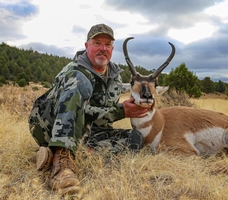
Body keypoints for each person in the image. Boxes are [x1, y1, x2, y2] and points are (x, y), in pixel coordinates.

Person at [29, 24, 150, 193]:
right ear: (87, 46)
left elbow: (98, 117)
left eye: (107, 45)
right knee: (79, 81)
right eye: (97, 43)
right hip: (49, 124)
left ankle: (54, 154)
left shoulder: (115, 77)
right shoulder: (74, 71)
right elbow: (78, 112)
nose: (103, 48)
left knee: (135, 138)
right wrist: (120, 111)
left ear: (112, 49)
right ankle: (62, 164)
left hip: (87, 131)